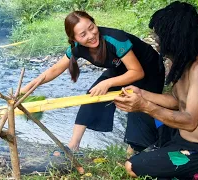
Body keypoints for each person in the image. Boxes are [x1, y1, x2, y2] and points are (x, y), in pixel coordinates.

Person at [20, 10, 169, 155]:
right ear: (74, 39)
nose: (91, 35)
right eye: (83, 34)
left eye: (91, 28)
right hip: (120, 68)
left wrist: (108, 83)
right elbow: (54, 70)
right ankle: (73, 147)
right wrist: (28, 88)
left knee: (138, 107)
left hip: (149, 70)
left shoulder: (115, 39)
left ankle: (134, 152)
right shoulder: (76, 48)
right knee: (92, 96)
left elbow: (137, 72)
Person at [114, 1, 198, 179]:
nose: (155, 40)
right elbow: (177, 102)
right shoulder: (177, 62)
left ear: (173, 38)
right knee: (147, 117)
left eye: (158, 36)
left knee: (132, 165)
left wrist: (144, 105)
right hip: (183, 139)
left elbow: (190, 122)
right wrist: (141, 93)